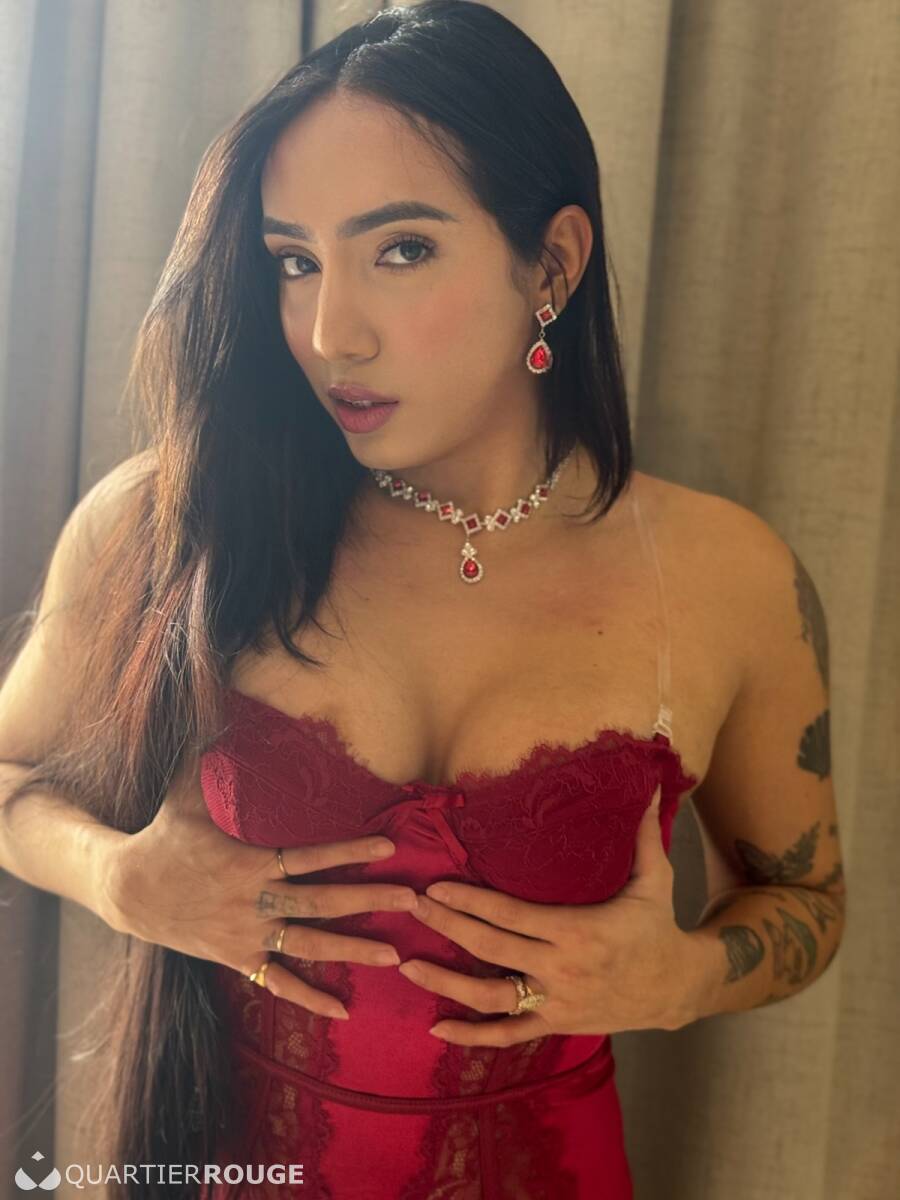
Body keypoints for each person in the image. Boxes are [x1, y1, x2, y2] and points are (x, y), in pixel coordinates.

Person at [0, 3, 843, 1198]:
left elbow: (808, 898)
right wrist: (113, 876)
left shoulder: (729, 579)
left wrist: (688, 979)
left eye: (399, 250)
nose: (329, 333)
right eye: (294, 261)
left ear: (551, 264)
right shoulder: (175, 519)